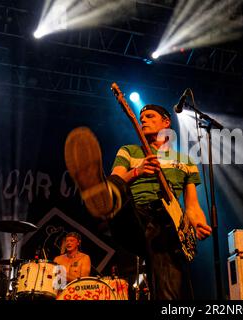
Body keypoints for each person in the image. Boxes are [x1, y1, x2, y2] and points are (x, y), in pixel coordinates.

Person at [64, 104, 212, 300]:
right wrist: (137, 171)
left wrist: (198, 223)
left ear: (166, 122)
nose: (143, 120)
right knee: (116, 188)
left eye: (150, 116)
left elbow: (192, 205)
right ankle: (102, 195)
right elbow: (117, 179)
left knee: (168, 293)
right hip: (135, 215)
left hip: (166, 226)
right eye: (141, 117)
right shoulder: (129, 151)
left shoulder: (186, 162)